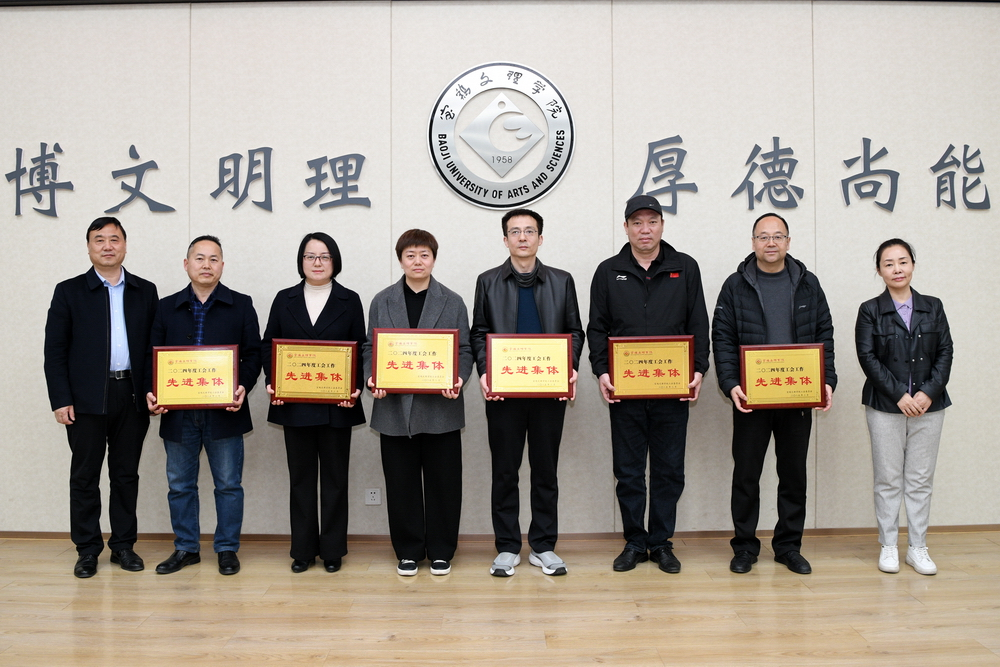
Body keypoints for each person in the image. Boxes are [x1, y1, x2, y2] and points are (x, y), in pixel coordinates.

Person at [587, 195, 710, 574]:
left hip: (672, 390)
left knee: (669, 469)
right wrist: (602, 371)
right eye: (637, 222)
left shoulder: (684, 267)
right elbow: (597, 328)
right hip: (625, 391)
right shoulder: (608, 271)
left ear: (662, 225)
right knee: (628, 471)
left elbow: (698, 323)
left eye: (652, 221)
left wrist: (699, 369)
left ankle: (661, 543)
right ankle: (635, 542)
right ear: (626, 227)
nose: (645, 229)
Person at [712, 212, 835, 575]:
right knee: (746, 475)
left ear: (788, 242)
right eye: (763, 236)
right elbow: (722, 337)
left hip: (797, 396)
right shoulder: (735, 285)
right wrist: (730, 383)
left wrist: (827, 380)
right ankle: (744, 547)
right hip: (751, 398)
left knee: (793, 475)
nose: (770, 242)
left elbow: (825, 334)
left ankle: (788, 547)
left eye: (777, 236)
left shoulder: (808, 284)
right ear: (753, 242)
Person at [471, 209, 585, 577]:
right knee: (505, 471)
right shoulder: (488, 281)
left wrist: (570, 367)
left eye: (530, 231)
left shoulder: (561, 281)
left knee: (545, 471)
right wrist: (485, 372)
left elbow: (575, 331)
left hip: (548, 392)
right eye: (515, 232)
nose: (523, 237)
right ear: (505, 240)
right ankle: (507, 546)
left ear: (540, 238)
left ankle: (543, 545)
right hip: (504, 394)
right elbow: (479, 332)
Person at [43, 217, 159, 578]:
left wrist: (154, 391)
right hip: (85, 398)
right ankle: (88, 549)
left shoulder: (145, 290)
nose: (107, 246)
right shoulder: (69, 291)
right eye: (99, 240)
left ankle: (123, 546)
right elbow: (54, 351)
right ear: (89, 247)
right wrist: (61, 399)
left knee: (125, 475)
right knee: (85, 476)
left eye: (114, 239)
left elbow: (154, 349)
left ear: (125, 245)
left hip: (131, 394)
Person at [146, 235, 261, 576]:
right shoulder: (166, 306)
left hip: (225, 412)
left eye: (213, 259)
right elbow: (151, 356)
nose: (206, 265)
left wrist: (242, 386)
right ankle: (186, 548)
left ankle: (226, 548)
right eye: (199, 258)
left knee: (228, 485)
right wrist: (152, 392)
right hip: (178, 412)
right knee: (180, 485)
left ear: (222, 265)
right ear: (187, 264)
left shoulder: (241, 304)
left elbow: (253, 354)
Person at [362, 229, 472, 577]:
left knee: (444, 484)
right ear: (400, 260)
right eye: (410, 255)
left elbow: (464, 349)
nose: (418, 261)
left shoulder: (452, 301)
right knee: (401, 484)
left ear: (434, 259)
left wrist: (459, 378)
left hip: (441, 408)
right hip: (394, 409)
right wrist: (372, 377)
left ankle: (441, 551)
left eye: (424, 254)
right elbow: (370, 348)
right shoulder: (382, 300)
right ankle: (408, 551)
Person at [261, 232, 366, 574]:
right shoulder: (284, 298)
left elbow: (360, 348)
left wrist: (354, 388)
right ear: (301, 261)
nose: (317, 262)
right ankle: (303, 550)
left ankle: (333, 550)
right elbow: (268, 345)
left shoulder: (350, 299)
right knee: (301, 480)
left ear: (334, 261)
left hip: (338, 406)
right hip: (296, 405)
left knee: (335, 480)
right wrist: (273, 381)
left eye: (324, 256)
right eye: (310, 256)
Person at [855, 239, 952, 575]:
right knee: (888, 479)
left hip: (930, 407)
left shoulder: (933, 306)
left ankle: (918, 547)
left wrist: (928, 392)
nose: (897, 269)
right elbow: (867, 357)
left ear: (912, 264)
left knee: (920, 479)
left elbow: (945, 352)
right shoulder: (870, 310)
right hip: (885, 405)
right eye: (889, 264)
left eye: (903, 262)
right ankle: (888, 546)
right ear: (879, 270)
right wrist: (899, 394)